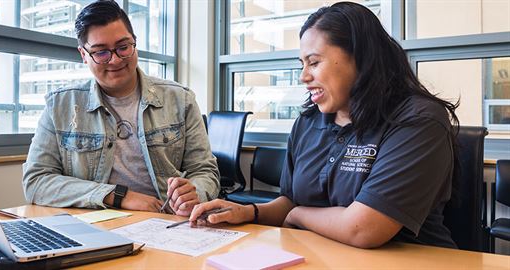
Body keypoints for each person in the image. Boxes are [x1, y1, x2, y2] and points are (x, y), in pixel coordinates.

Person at [189, 2, 460, 249]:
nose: (304, 76)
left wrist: (298, 215)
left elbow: (363, 228)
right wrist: (247, 212)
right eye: (302, 64)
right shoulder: (308, 122)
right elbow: (290, 201)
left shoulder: (418, 120)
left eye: (314, 62)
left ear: (361, 57)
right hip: (319, 255)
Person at [22, 0, 219, 216]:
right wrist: (117, 195)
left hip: (166, 220)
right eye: (101, 52)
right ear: (83, 54)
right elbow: (36, 181)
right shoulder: (60, 106)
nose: (115, 60)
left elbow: (205, 171)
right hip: (95, 224)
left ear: (135, 43)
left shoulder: (180, 99)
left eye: (123, 47)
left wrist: (194, 193)